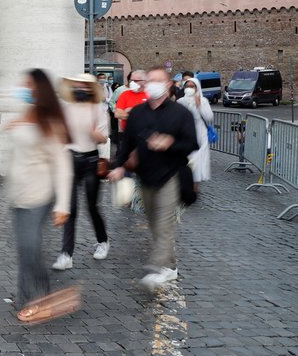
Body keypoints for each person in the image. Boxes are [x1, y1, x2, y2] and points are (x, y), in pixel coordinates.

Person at [109, 66, 198, 290]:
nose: (153, 85)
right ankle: (171, 266)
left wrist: (169, 143)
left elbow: (191, 144)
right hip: (145, 177)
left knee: (164, 222)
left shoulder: (181, 114)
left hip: (171, 175)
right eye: (150, 81)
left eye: (158, 81)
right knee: (154, 224)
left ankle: (156, 268)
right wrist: (118, 167)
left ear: (168, 85)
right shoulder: (138, 113)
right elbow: (126, 144)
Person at [5, 69, 76, 323]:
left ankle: (37, 300)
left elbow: (63, 166)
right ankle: (31, 298)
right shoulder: (26, 115)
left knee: (29, 247)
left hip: (39, 195)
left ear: (38, 89)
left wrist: (63, 205)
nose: (23, 90)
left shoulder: (51, 122)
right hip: (18, 195)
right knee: (26, 250)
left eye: (28, 86)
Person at [53, 73, 111, 271]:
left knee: (92, 206)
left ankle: (102, 240)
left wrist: (91, 130)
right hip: (70, 160)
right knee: (70, 209)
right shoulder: (67, 109)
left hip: (91, 161)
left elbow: (103, 138)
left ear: (90, 89)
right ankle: (66, 254)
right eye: (77, 85)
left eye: (84, 86)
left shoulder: (99, 109)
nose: (80, 88)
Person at [177, 76, 213, 192]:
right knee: (185, 159)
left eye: (192, 86)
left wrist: (199, 105)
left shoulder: (203, 101)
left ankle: (194, 187)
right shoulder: (180, 101)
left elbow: (209, 117)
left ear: (197, 88)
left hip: (200, 134)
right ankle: (184, 183)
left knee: (197, 160)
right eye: (187, 86)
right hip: (184, 134)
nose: (189, 88)